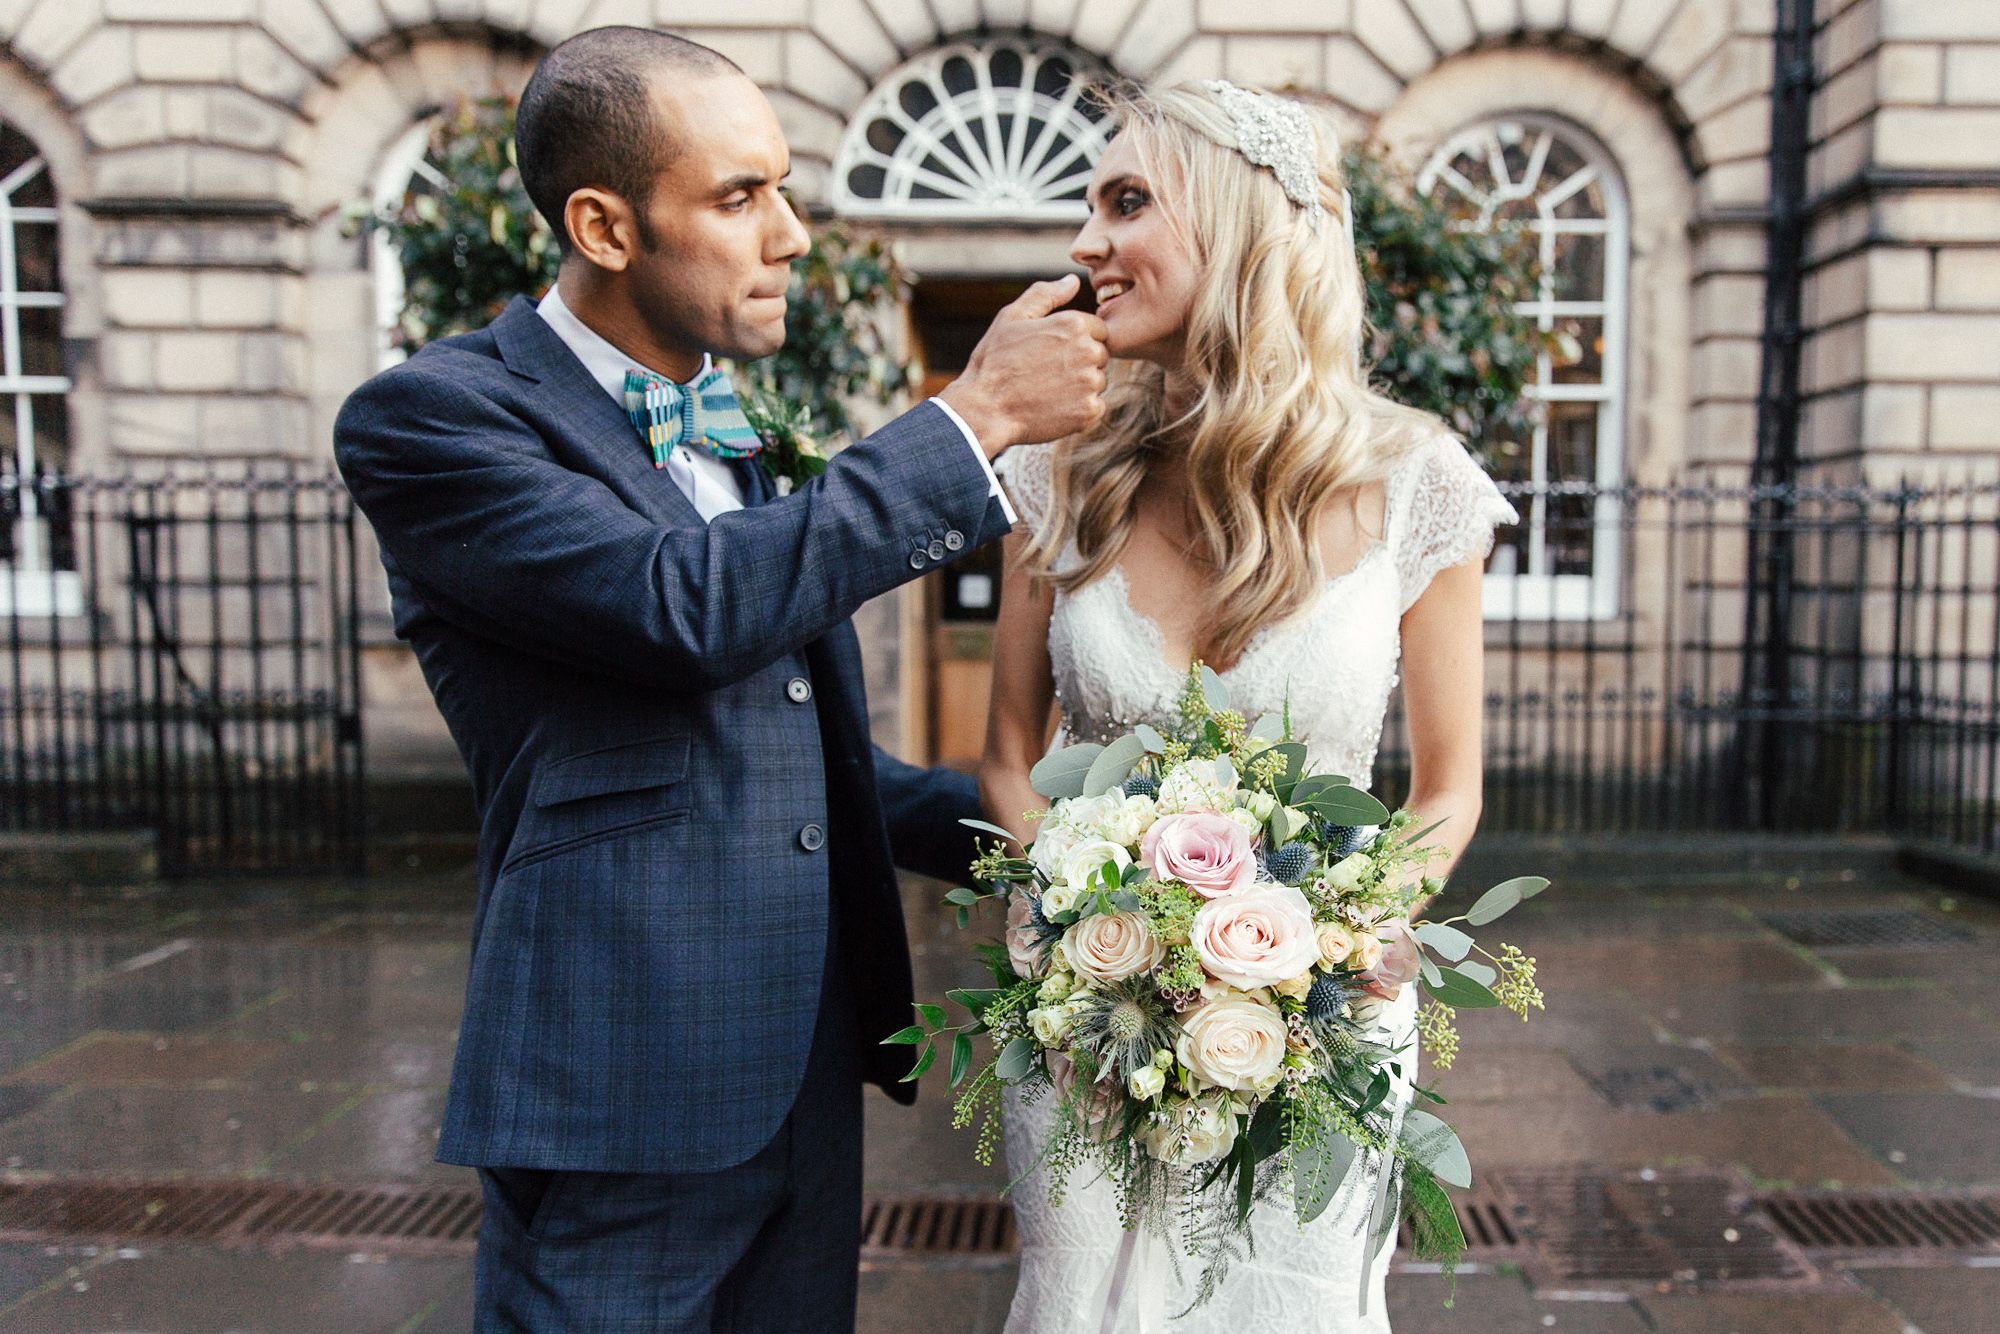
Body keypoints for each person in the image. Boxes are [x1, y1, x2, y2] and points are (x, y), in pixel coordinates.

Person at [333, 27, 1108, 1332]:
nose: (791, 234)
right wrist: (969, 421)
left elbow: (790, 749)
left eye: (784, 188)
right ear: (605, 223)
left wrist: (1075, 841)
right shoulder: (435, 417)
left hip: (801, 1069)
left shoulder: (728, 422)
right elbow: (677, 610)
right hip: (621, 1082)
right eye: (740, 197)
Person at [979, 79, 1516, 1332]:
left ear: (1237, 226)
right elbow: (1006, 758)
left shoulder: (1414, 482)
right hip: (1088, 1026)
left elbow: (1446, 788)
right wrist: (1090, 917)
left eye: (1125, 202)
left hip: (1313, 1025)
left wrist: (1341, 934)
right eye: (1086, 205)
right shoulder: (1053, 470)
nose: (1083, 244)